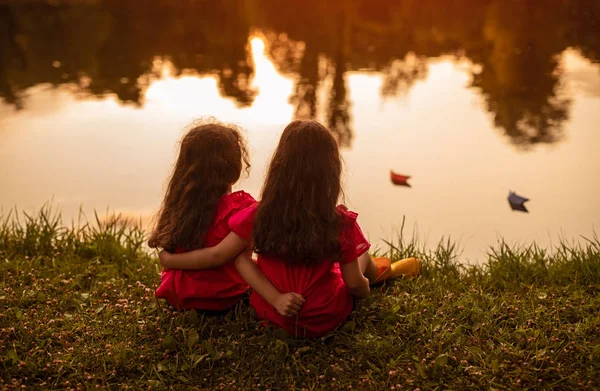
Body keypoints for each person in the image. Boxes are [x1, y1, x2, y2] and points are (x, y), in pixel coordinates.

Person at [160, 120, 420, 335]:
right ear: (331, 172)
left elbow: (239, 259)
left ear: (279, 166)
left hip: (271, 312)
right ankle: (378, 275)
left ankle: (378, 270)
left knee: (345, 258)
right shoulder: (341, 223)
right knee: (359, 256)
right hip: (324, 315)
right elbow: (353, 285)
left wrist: (275, 299)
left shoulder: (257, 213)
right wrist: (363, 290)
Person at [148, 119, 303, 314]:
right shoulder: (242, 209)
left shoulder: (181, 203)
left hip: (179, 297)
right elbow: (217, 255)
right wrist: (170, 261)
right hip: (223, 299)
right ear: (234, 167)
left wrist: (169, 260)